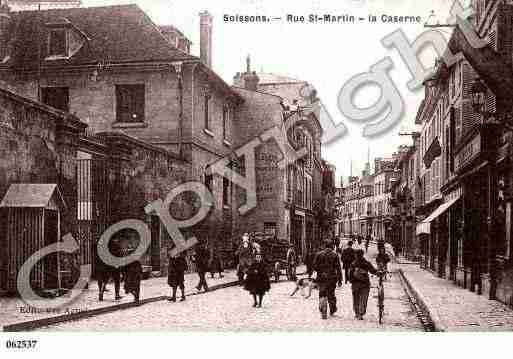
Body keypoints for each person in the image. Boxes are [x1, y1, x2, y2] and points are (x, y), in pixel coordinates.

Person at [313, 239, 343, 319]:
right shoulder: (335, 255)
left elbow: (315, 266)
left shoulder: (318, 254)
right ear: (331, 246)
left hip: (321, 278)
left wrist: (320, 271)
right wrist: (340, 280)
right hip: (332, 278)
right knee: (331, 294)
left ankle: (321, 307)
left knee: (322, 292)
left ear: (324, 245)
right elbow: (338, 268)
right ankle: (332, 309)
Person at [349, 249, 378, 320]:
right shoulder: (366, 263)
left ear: (356, 255)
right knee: (364, 299)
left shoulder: (353, 263)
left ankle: (357, 313)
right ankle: (361, 313)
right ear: (362, 255)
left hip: (355, 284)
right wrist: (379, 273)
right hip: (365, 284)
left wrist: (351, 281)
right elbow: (373, 271)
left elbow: (350, 274)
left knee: (356, 299)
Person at [97, 238, 122, 302]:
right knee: (117, 280)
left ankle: (101, 292)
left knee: (105, 280)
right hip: (114, 265)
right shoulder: (116, 244)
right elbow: (118, 255)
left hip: (106, 266)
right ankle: (117, 295)